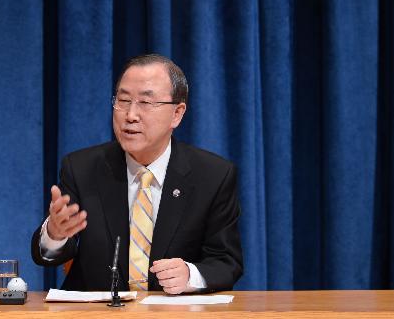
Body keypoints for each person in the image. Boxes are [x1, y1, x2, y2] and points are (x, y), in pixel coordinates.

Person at [30, 53, 243, 293]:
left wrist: (190, 275)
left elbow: (227, 262)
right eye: (123, 101)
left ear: (177, 113)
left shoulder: (213, 175)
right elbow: (46, 257)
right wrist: (55, 234)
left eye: (146, 103)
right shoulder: (81, 168)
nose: (130, 115)